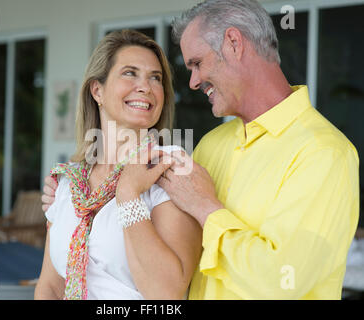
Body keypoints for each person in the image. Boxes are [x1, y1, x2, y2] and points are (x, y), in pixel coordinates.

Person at [43, 0, 360, 300]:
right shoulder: (211, 145)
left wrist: (205, 208)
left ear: (234, 43)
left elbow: (281, 282)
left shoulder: (324, 154)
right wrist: (71, 197)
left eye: (196, 63)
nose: (192, 82)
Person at [34, 30, 202, 300]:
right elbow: (51, 286)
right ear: (97, 90)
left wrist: (128, 195)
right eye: (130, 73)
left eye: (155, 78)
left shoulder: (169, 165)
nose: (145, 87)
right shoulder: (69, 183)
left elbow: (166, 294)